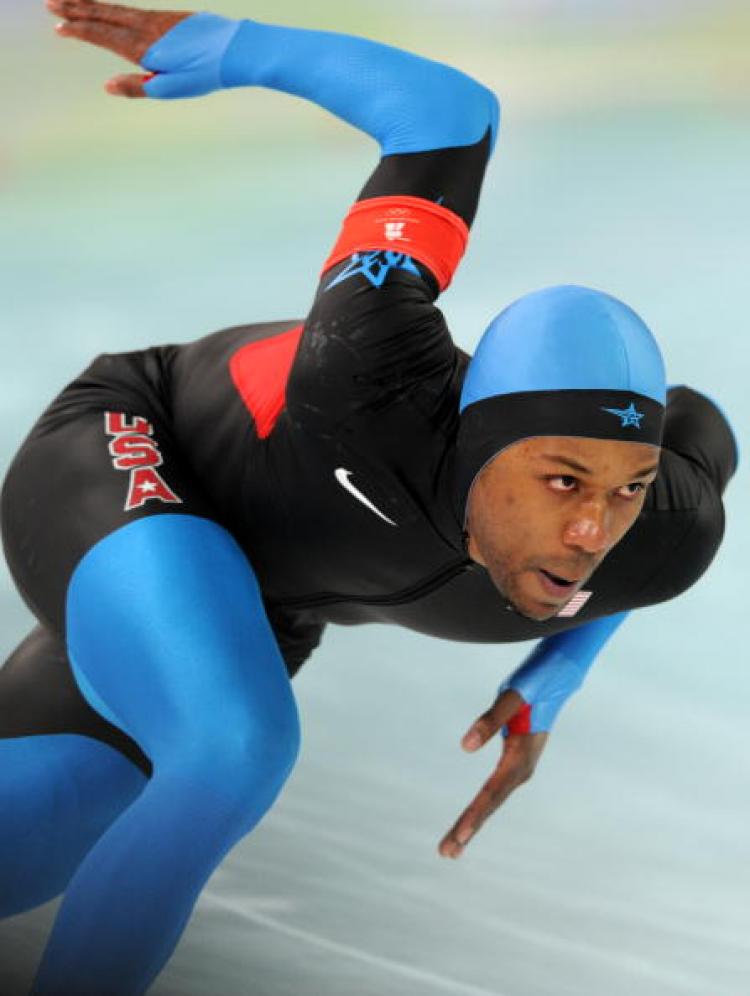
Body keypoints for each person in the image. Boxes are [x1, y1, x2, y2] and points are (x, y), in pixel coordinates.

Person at [0, 2, 737, 993]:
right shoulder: (372, 365)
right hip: (138, 445)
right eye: (562, 480)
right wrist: (234, 49)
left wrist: (558, 670)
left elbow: (706, 432)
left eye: (627, 488)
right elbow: (447, 111)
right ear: (476, 448)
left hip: (264, 592)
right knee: (230, 746)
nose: (590, 529)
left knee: (31, 842)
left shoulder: (658, 535)